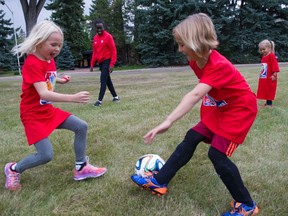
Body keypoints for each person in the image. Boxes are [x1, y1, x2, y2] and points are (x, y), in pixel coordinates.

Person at [131, 13, 259, 216]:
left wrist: (168, 121)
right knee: (192, 136)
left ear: (196, 42)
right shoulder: (195, 62)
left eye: (182, 44)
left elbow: (195, 94)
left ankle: (247, 205)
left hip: (239, 110)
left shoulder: (219, 65)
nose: (180, 49)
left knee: (217, 155)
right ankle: (159, 181)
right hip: (221, 106)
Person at [5, 20, 107, 191]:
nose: (57, 49)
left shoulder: (48, 59)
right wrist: (72, 98)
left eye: (59, 45)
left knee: (81, 126)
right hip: (32, 115)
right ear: (38, 41)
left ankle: (81, 168)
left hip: (46, 110)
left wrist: (59, 79)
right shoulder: (31, 63)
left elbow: (45, 77)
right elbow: (44, 93)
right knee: (46, 155)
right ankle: (13, 169)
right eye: (53, 44)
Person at [90, 19, 120, 107]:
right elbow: (95, 52)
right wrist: (92, 64)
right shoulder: (95, 38)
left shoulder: (108, 36)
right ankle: (116, 97)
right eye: (97, 28)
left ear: (103, 27)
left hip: (107, 60)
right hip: (101, 62)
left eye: (101, 28)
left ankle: (99, 101)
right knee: (107, 81)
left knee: (103, 80)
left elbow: (113, 51)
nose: (99, 30)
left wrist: (112, 64)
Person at [256, 39, 280, 107]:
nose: (262, 51)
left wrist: (274, 75)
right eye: (261, 50)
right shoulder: (264, 56)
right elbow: (263, 65)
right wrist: (261, 73)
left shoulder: (271, 56)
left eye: (264, 49)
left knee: (269, 89)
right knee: (265, 89)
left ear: (269, 48)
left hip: (270, 76)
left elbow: (275, 66)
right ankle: (267, 102)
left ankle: (269, 104)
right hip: (264, 76)